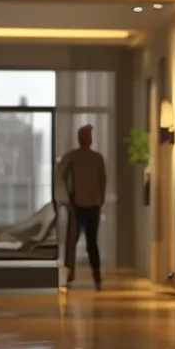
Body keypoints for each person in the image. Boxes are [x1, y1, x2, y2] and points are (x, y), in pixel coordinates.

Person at [56, 124, 107, 289]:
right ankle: (96, 277)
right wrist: (101, 199)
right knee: (91, 243)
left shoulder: (73, 157)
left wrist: (66, 195)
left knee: (73, 242)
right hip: (90, 205)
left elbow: (60, 173)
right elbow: (102, 182)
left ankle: (70, 275)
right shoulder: (95, 158)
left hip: (79, 205)